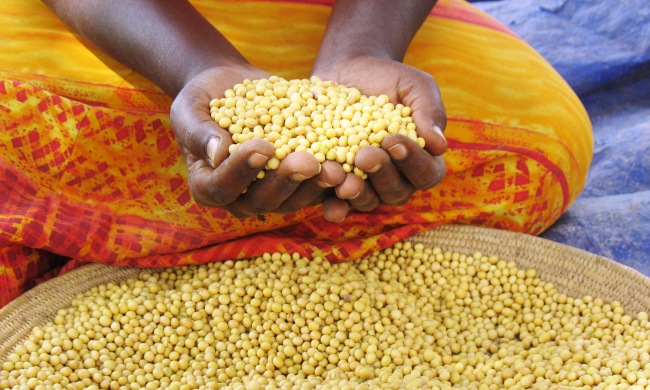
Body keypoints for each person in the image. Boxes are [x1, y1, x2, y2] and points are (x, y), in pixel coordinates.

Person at [0, 0, 592, 308]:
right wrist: (201, 68)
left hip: (336, 14)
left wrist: (361, 47)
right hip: (125, 17)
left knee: (544, 142)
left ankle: (110, 236)